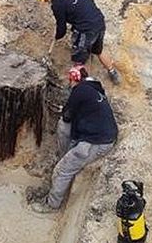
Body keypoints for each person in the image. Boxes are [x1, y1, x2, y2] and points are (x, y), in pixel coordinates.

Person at [31, 66, 118, 213]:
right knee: (65, 130)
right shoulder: (94, 89)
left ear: (74, 79)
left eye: (69, 80)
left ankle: (52, 205)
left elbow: (67, 115)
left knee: (62, 170)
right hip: (101, 134)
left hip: (96, 142)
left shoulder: (79, 91)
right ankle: (64, 156)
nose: (68, 84)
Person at [35, 0, 120, 85]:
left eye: (46, 0)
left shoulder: (57, 3)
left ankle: (81, 87)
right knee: (98, 50)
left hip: (85, 30)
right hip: (99, 22)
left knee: (78, 62)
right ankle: (112, 72)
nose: (48, 2)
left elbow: (62, 29)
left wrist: (57, 35)